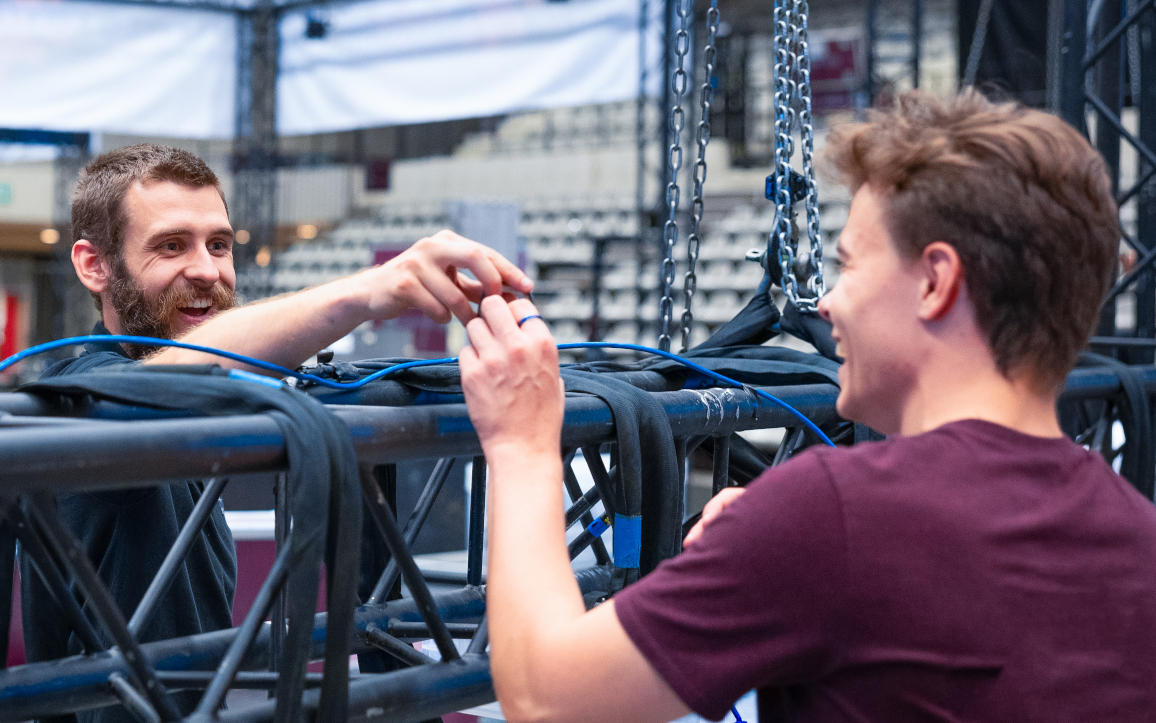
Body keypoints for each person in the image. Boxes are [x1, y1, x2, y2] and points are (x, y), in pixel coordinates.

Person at [458, 90, 1156, 722]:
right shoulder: (1138, 535)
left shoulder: (830, 517)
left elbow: (548, 698)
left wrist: (523, 443)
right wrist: (769, 553)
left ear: (934, 282)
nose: (827, 303)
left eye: (849, 265)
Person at [22, 143, 531, 723]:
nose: (207, 270)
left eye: (219, 245)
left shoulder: (210, 413)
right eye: (171, 245)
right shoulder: (73, 398)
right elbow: (157, 384)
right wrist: (363, 293)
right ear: (94, 266)